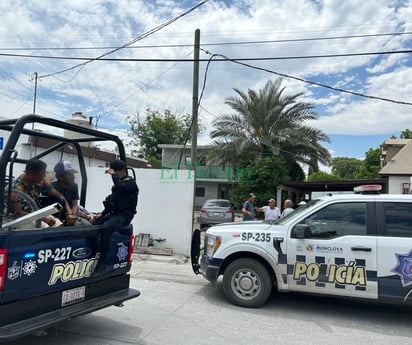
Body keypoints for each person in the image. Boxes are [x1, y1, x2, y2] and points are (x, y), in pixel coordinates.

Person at [92, 160, 138, 275]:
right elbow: (112, 203)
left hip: (125, 215)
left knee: (107, 228)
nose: (113, 176)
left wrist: (113, 175)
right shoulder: (118, 185)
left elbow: (122, 188)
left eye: (115, 173)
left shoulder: (130, 183)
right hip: (114, 214)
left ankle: (105, 263)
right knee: (95, 224)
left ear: (122, 171)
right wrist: (102, 214)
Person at [11, 159, 73, 227]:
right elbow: (18, 212)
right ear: (32, 174)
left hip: (36, 214)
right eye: (42, 174)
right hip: (20, 219)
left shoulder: (39, 182)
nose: (44, 176)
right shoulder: (16, 188)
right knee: (46, 228)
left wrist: (69, 212)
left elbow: (60, 196)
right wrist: (43, 218)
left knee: (59, 225)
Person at [52, 160, 92, 225]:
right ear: (60, 177)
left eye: (73, 174)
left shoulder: (74, 186)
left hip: (72, 214)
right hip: (58, 216)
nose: (73, 177)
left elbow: (75, 204)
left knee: (88, 225)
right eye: (70, 174)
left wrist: (73, 215)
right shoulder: (52, 188)